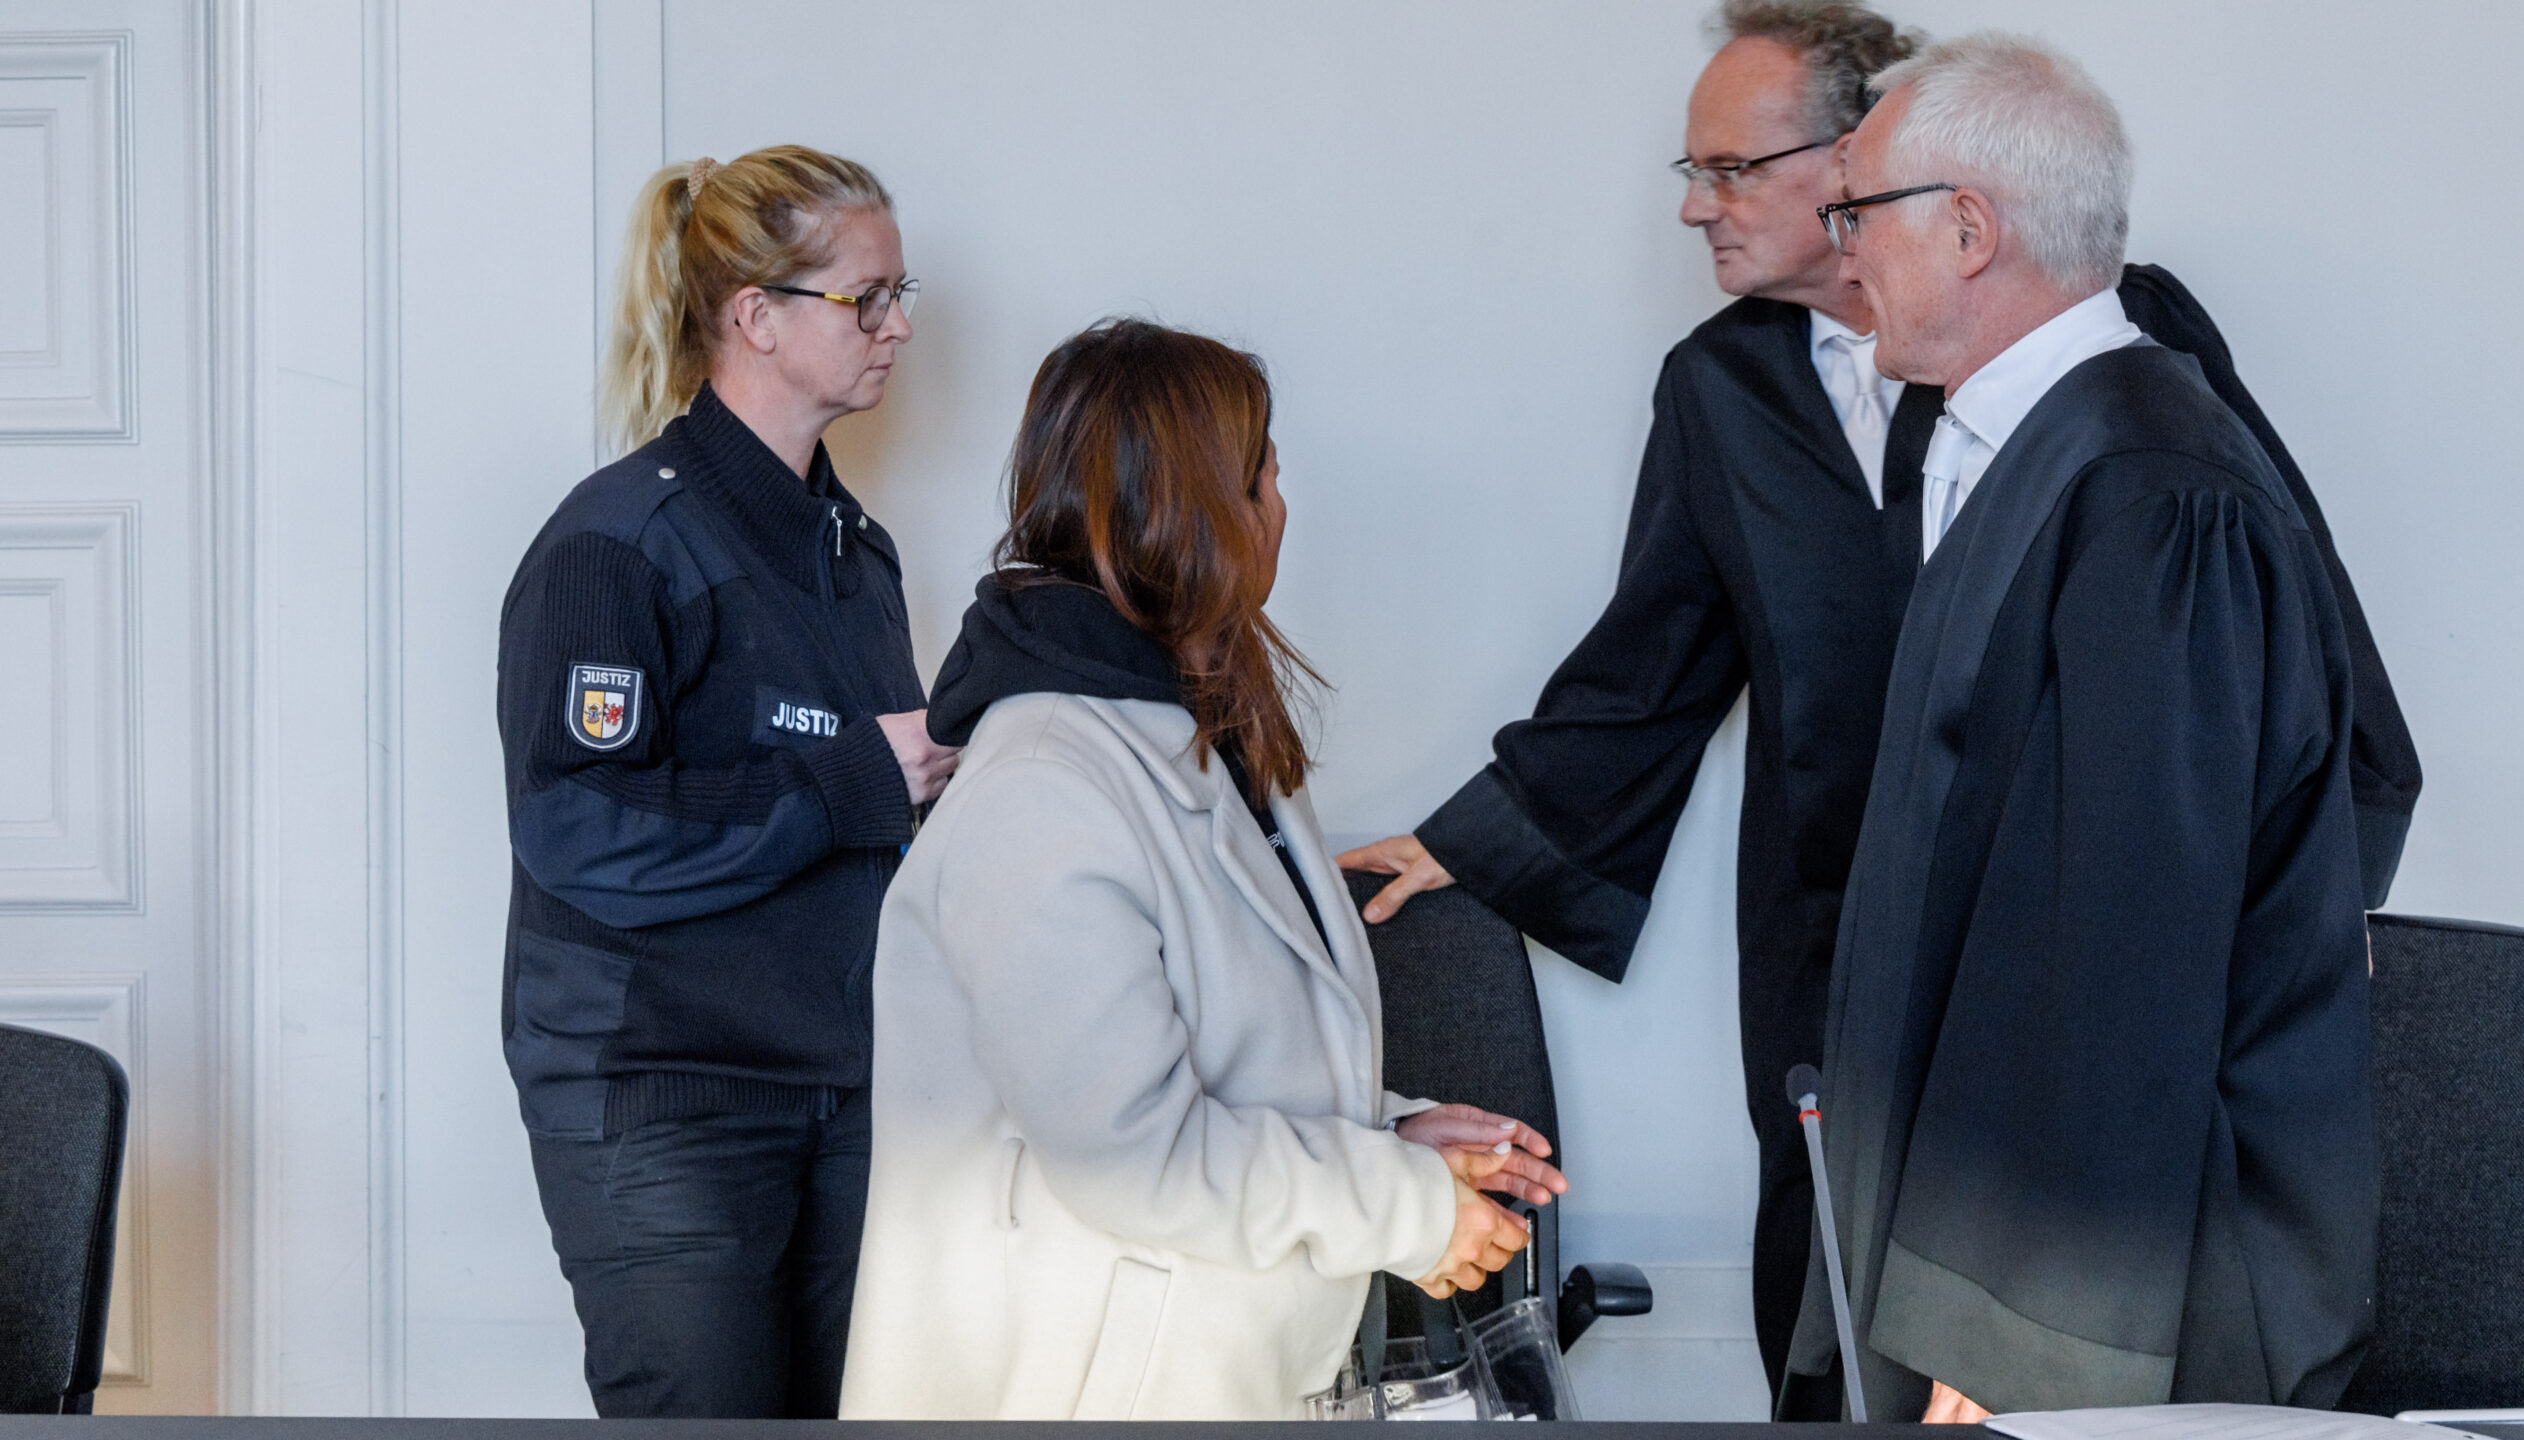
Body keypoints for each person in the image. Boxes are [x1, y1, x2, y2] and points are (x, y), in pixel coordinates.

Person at [1336, 1, 2418, 1411]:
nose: (1711, 212)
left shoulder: (2135, 460)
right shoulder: (1759, 390)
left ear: (1949, 214)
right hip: (1867, 952)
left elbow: (2135, 915)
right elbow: (1652, 659)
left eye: (1745, 171)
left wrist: (2032, 1315)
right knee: (1849, 1319)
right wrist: (1476, 838)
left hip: (2072, 1066)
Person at [1785, 35, 2376, 1421]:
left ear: (1972, 230)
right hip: (1993, 1251)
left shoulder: (2152, 499)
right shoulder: (2039, 449)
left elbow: (2113, 955)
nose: (1840, 247)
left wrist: (2006, 1346)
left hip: (2121, 1303)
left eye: (1857, 209)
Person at [841, 320, 1568, 1420]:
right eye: (1265, 471)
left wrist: (1385, 1131)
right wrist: (1406, 1208)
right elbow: (1134, 1155)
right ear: (1200, 506)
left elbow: (1217, 1048)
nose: (1283, 503)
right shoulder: (1045, 787)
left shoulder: (1193, 735)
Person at [494, 146, 959, 1418]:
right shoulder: (614, 545)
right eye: (865, 299)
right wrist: (850, 779)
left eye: (898, 292)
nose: (900, 327)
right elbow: (581, 828)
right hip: (662, 1107)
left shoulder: (859, 558)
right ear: (754, 316)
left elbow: (875, 814)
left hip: (847, 1093)